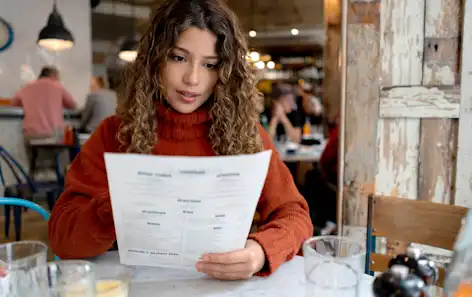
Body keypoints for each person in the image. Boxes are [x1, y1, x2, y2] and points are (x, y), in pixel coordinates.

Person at [48, 0, 312, 281]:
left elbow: (295, 216)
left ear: (225, 73)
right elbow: (62, 239)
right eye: (178, 58)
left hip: (220, 286)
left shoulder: (246, 135)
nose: (192, 79)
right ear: (155, 60)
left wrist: (260, 251)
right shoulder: (114, 133)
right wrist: (113, 208)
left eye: (210, 65)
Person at [12, 66, 77, 141]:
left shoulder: (27, 87)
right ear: (54, 76)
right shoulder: (57, 86)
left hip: (30, 134)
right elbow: (72, 105)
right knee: (60, 150)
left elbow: (14, 103)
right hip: (51, 134)